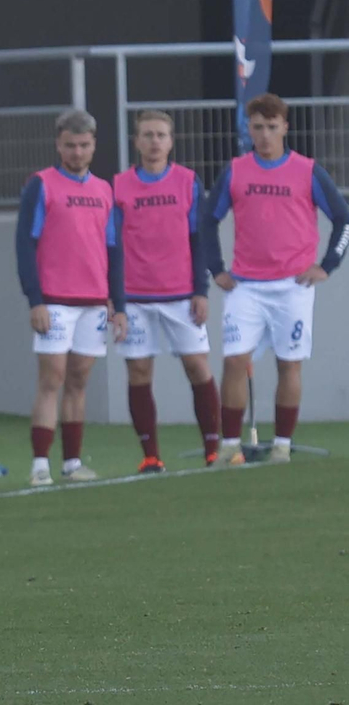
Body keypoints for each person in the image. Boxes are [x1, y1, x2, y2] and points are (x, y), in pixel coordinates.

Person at [203, 93, 349, 465]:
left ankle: (282, 445)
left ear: (285, 126)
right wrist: (215, 267)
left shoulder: (307, 170)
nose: (265, 135)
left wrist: (327, 265)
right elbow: (207, 219)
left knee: (289, 364)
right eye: (257, 127)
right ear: (248, 129)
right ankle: (232, 445)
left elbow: (342, 218)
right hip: (246, 287)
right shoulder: (236, 171)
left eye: (272, 126)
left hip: (293, 287)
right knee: (235, 361)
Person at [15, 109, 126, 488]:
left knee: (79, 379)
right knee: (52, 378)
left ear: (94, 145)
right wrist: (36, 299)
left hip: (93, 302)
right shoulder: (41, 185)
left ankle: (73, 462)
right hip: (55, 301)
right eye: (70, 145)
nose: (77, 152)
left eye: (83, 145)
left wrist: (118, 303)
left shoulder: (104, 191)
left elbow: (113, 250)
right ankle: (40, 464)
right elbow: (25, 245)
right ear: (58, 145)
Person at [111, 111, 220, 471]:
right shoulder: (120, 185)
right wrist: (116, 300)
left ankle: (212, 449)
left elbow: (198, 238)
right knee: (139, 373)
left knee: (197, 366)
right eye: (147, 135)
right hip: (136, 297)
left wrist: (200, 290)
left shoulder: (187, 182)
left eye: (161, 135)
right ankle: (151, 456)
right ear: (137, 141)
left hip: (181, 294)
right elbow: (112, 245)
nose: (154, 141)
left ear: (171, 141)